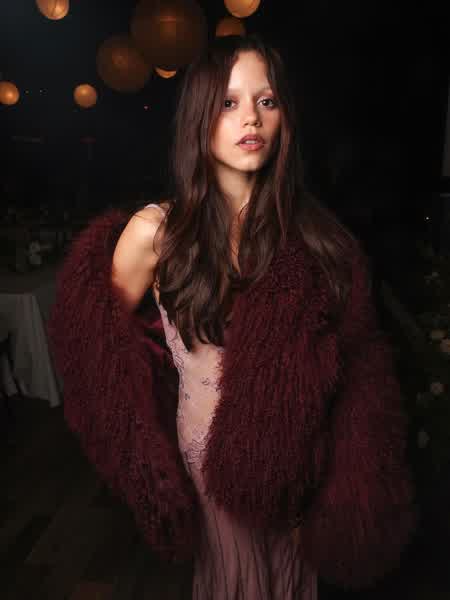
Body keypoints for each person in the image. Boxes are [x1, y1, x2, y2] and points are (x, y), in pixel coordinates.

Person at [48, 34, 419, 599]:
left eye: (266, 101)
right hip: (211, 462)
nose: (252, 117)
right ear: (200, 115)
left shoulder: (316, 238)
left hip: (300, 468)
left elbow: (357, 371)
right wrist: (144, 461)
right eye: (229, 102)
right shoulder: (156, 232)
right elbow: (94, 347)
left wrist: (338, 489)